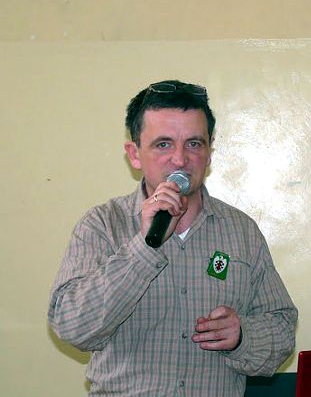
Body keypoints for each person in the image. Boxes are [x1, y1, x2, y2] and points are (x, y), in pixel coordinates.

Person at [48, 80, 297, 396]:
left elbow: (282, 331)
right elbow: (72, 328)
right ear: (134, 154)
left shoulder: (242, 231)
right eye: (163, 144)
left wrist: (243, 336)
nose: (180, 159)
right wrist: (144, 247)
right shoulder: (102, 225)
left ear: (209, 152)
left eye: (194, 143)